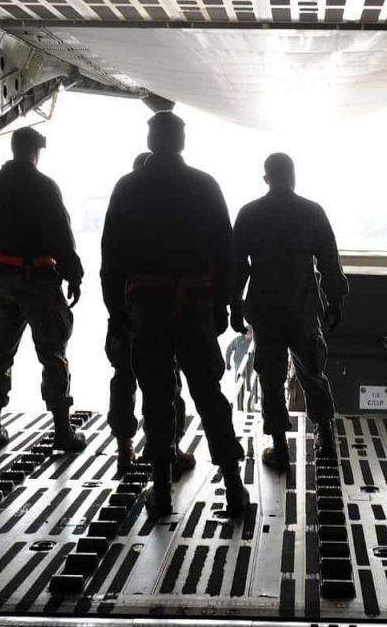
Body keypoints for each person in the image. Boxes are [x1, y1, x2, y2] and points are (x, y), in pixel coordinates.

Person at [101, 111, 247, 519]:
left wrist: (117, 313)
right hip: (196, 307)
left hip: (146, 309)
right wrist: (223, 305)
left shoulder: (128, 187)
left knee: (156, 398)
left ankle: (162, 490)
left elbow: (112, 257)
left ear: (150, 140)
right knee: (209, 395)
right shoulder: (205, 185)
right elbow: (226, 251)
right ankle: (234, 487)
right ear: (182, 141)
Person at [0, 126, 87, 454]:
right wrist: (74, 276)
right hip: (38, 281)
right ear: (35, 151)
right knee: (53, 354)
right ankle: (62, 430)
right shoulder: (44, 187)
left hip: (2, 281)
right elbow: (61, 237)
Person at [231, 153, 348, 470]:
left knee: (270, 379)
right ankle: (325, 436)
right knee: (312, 373)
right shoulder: (311, 212)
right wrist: (335, 302)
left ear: (266, 178)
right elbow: (329, 262)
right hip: (303, 309)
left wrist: (233, 306)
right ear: (293, 176)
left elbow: (238, 267)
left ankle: (280, 448)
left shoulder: (250, 214)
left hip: (266, 312)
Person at [106, 151, 194, 477]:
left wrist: (115, 312)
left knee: (123, 378)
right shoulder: (170, 212)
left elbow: (108, 264)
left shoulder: (123, 205)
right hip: (163, 310)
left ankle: (124, 448)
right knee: (167, 381)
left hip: (127, 308)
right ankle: (170, 448)